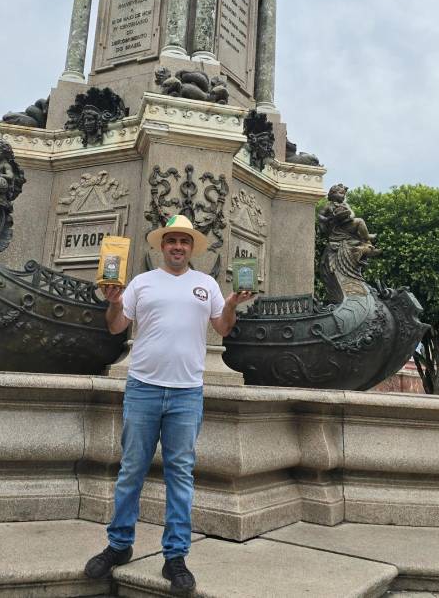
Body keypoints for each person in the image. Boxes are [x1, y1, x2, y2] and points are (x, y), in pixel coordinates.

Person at [84, 214, 252, 596]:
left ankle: (175, 555)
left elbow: (223, 328)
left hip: (186, 392)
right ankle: (119, 544)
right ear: (162, 246)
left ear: (192, 248)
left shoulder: (205, 284)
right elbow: (115, 326)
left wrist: (231, 304)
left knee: (180, 474)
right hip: (142, 387)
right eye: (172, 241)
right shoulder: (141, 282)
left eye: (184, 242)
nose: (178, 247)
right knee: (131, 470)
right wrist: (112, 303)